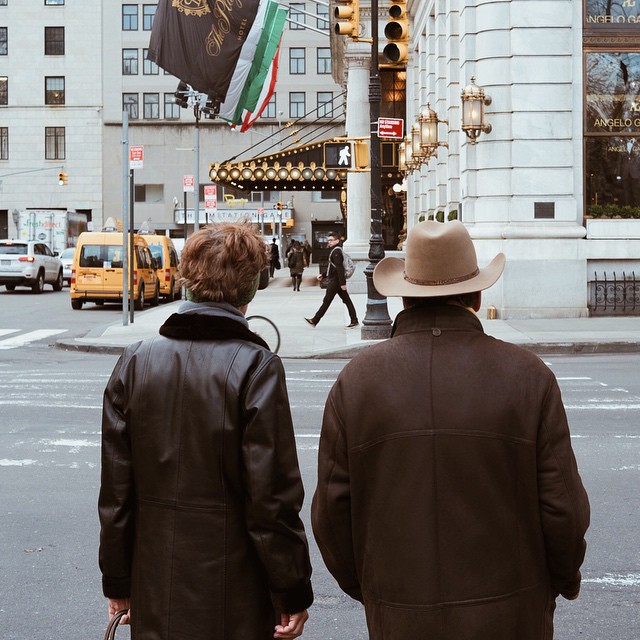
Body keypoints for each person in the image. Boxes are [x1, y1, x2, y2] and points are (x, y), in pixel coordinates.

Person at [311, 220, 590, 640]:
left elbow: (331, 514)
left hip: (400, 611)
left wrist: (373, 588)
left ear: (404, 296)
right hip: (511, 612)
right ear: (477, 295)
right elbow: (563, 509)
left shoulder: (357, 381)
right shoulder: (528, 376)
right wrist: (560, 582)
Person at [99, 222, 313, 640]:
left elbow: (116, 492)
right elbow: (271, 497)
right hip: (237, 589)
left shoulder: (136, 360)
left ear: (187, 280)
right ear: (250, 287)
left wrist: (118, 580)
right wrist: (291, 588)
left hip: (155, 580)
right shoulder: (257, 366)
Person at [305, 232, 358, 328]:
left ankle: (315, 320)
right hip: (336, 281)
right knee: (347, 300)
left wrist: (342, 283)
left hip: (335, 282)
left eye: (331, 240)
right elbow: (332, 267)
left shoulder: (336, 252)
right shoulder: (335, 251)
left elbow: (339, 268)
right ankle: (354, 320)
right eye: (328, 240)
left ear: (337, 241)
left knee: (327, 301)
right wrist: (323, 275)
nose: (328, 242)